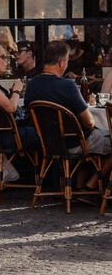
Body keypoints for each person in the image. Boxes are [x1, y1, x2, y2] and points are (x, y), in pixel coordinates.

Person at [25, 40, 112, 183]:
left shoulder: (32, 85)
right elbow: (89, 122)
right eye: (66, 61)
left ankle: (80, 185)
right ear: (61, 62)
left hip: (48, 143)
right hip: (75, 144)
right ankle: (93, 183)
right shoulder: (68, 86)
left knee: (91, 139)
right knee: (95, 137)